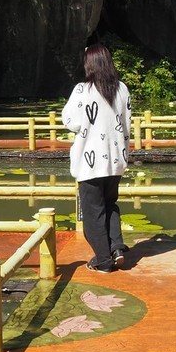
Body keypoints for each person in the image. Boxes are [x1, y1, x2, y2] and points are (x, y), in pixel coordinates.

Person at [60, 44, 131, 273]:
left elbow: (70, 121)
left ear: (89, 64)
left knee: (93, 213)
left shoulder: (83, 90)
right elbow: (126, 124)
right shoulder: (122, 89)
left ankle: (103, 261)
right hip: (115, 161)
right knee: (110, 205)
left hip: (90, 164)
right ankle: (117, 248)